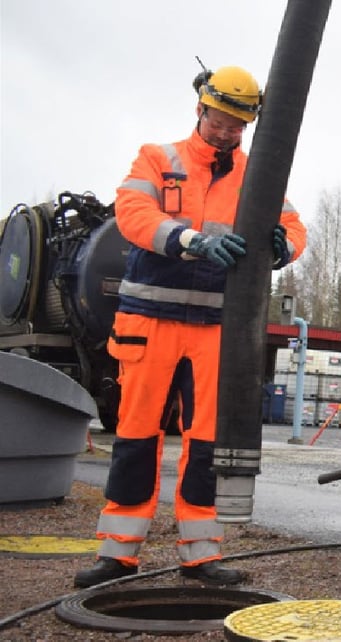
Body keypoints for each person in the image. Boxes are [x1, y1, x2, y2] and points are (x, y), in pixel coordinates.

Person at [74, 65, 307, 588]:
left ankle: (201, 557)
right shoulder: (158, 158)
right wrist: (187, 239)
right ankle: (118, 556)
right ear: (200, 109)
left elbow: (294, 227)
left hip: (215, 330)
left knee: (205, 443)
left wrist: (282, 246)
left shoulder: (257, 172)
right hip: (149, 324)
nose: (226, 132)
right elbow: (132, 213)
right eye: (220, 121)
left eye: (236, 125)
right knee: (135, 435)